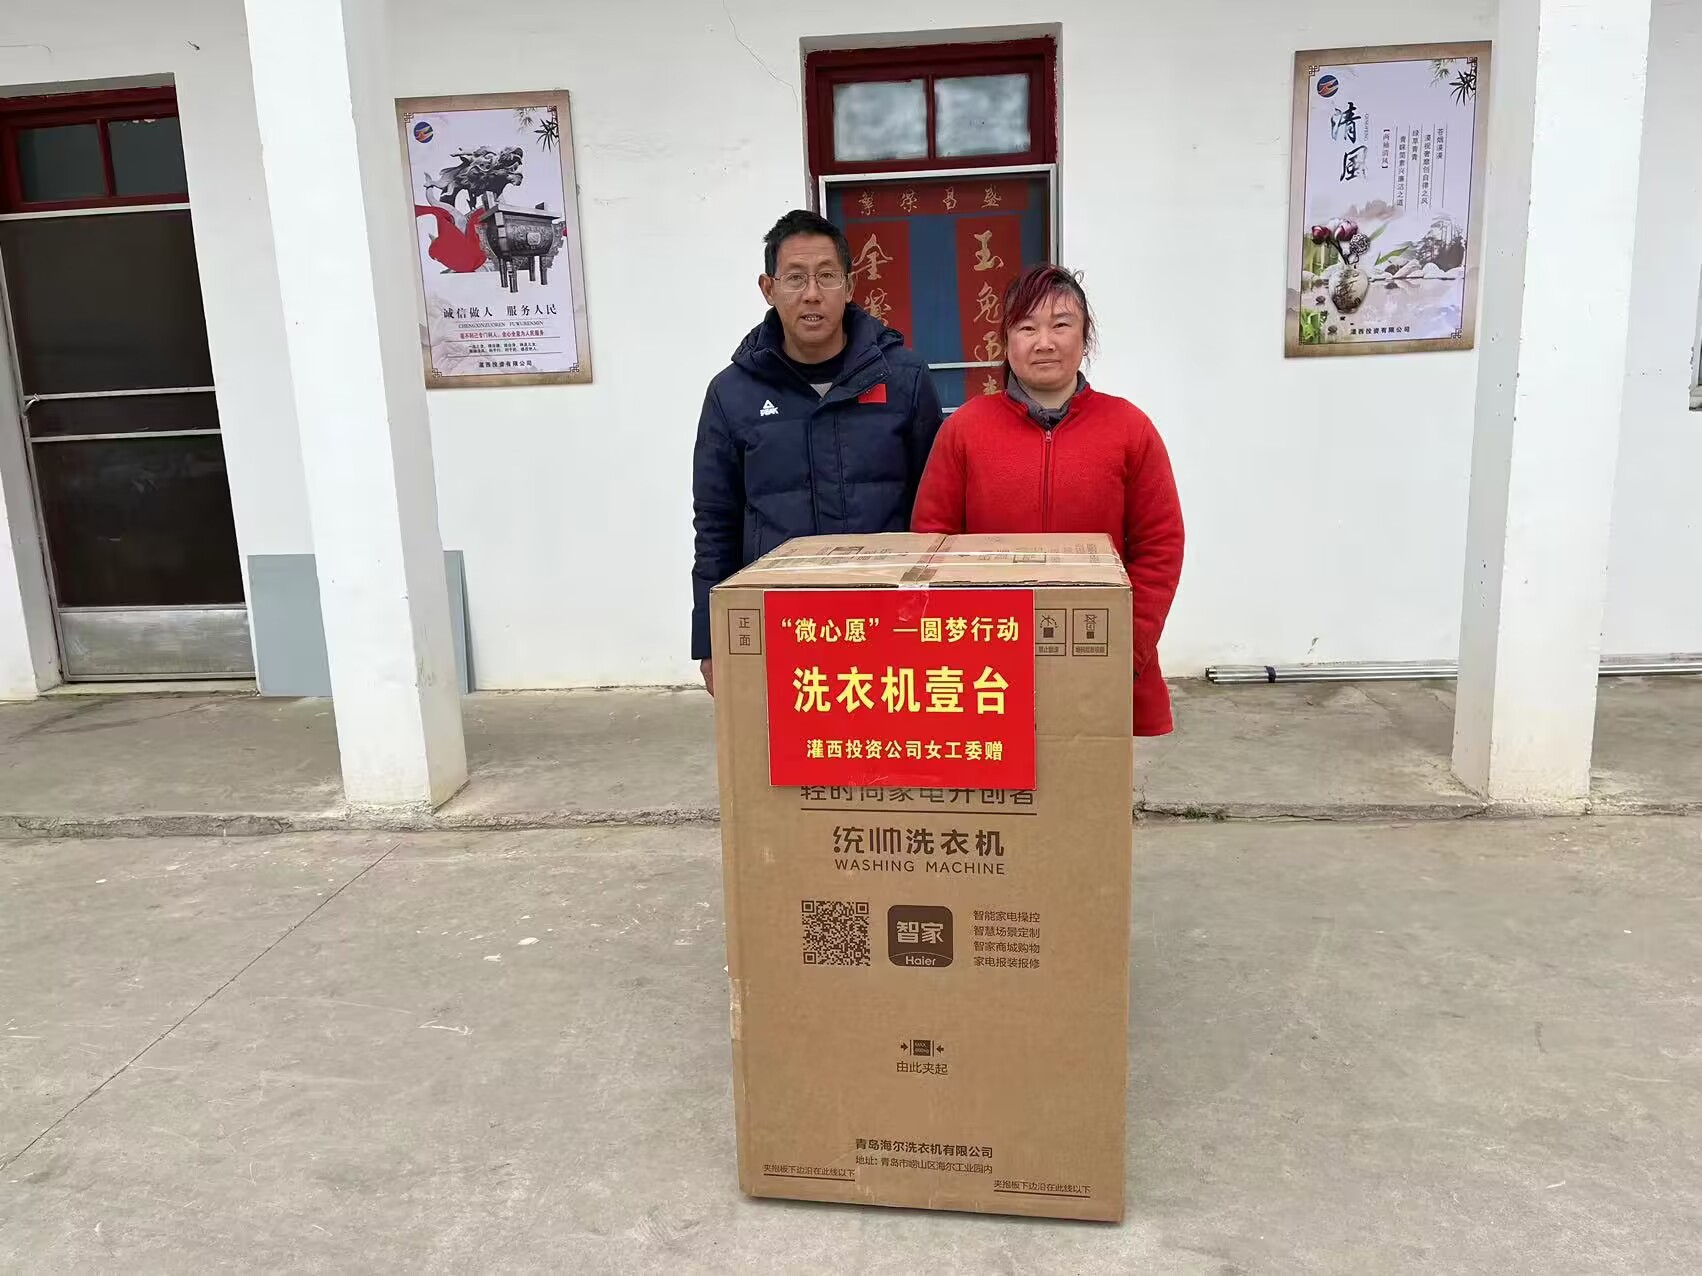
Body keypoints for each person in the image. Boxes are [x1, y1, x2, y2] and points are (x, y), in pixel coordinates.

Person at [911, 264, 1184, 735]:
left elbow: (1160, 547)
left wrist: (1125, 649)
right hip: (988, 661)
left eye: (1061, 325)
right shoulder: (965, 430)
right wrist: (957, 646)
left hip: (1101, 656)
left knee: (1091, 779)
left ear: (1085, 337)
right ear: (1005, 341)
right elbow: (932, 543)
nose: (1044, 342)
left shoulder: (1129, 429)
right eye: (1027, 327)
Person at [691, 210, 944, 694]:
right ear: (768, 288)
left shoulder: (904, 379)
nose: (812, 293)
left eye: (827, 276)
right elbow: (715, 524)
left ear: (849, 286)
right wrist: (710, 639)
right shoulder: (732, 394)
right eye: (795, 278)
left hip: (891, 623)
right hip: (782, 625)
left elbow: (936, 511)